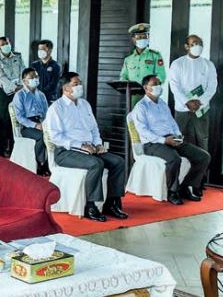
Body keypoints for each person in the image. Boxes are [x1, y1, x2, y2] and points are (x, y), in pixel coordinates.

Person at [45, 72, 128, 222]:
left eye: (80, 83)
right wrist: (81, 146)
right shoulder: (56, 108)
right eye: (76, 84)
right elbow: (56, 137)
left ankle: (111, 203)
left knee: (118, 162)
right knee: (96, 164)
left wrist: (98, 144)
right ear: (65, 88)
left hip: (90, 148)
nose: (80, 87)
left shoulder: (85, 104)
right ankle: (90, 206)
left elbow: (94, 129)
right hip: (66, 152)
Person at [132, 74, 210, 205]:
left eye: (159, 83)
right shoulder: (141, 107)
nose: (158, 86)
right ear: (146, 88)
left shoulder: (162, 103)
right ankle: (172, 192)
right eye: (154, 84)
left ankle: (185, 187)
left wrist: (178, 135)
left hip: (171, 139)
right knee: (174, 159)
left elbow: (172, 122)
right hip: (152, 143)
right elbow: (143, 131)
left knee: (203, 157)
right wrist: (164, 140)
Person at [168, 34, 217, 192]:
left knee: (202, 142)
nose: (198, 46)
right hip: (182, 109)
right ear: (186, 46)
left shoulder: (208, 64)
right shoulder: (178, 64)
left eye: (200, 43)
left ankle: (197, 183)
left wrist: (200, 102)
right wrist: (187, 102)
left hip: (201, 110)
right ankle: (179, 182)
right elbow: (174, 86)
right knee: (181, 142)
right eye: (194, 43)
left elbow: (212, 86)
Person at [11, 68, 49, 176]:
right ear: (24, 81)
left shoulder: (41, 95)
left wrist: (45, 123)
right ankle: (40, 163)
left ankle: (49, 163)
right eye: (32, 77)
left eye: (36, 77)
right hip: (27, 126)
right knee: (42, 136)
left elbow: (47, 112)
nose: (35, 79)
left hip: (41, 122)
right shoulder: (20, 95)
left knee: (54, 134)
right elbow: (19, 117)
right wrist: (35, 125)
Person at [119, 23, 166, 107]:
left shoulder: (155, 55)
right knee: (132, 115)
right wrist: (125, 85)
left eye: (145, 37)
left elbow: (161, 75)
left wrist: (153, 87)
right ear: (134, 40)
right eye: (139, 37)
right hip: (132, 96)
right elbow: (123, 76)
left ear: (148, 38)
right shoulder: (128, 58)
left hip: (149, 95)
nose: (142, 39)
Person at [0, 37, 24, 157]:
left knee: (15, 121)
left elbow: (23, 72)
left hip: (18, 92)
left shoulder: (18, 57)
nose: (6, 45)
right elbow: (1, 77)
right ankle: (1, 151)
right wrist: (14, 87)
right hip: (4, 94)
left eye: (7, 43)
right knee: (2, 121)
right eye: (3, 44)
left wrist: (21, 86)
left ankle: (13, 150)